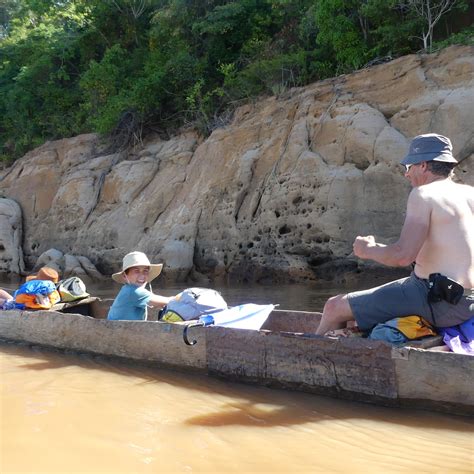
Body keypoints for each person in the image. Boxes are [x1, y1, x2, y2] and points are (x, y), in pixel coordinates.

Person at [316, 133, 474, 336]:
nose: (407, 174)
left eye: (409, 167)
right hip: (467, 300)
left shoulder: (424, 194)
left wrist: (367, 250)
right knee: (361, 307)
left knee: (334, 307)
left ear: (423, 165)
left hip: (437, 301)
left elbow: (403, 255)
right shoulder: (470, 193)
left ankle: (311, 363)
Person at [107, 251, 175, 321]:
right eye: (136, 271)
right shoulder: (133, 291)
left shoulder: (128, 289)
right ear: (125, 276)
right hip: (122, 331)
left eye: (145, 271)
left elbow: (161, 302)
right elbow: (170, 301)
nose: (142, 276)